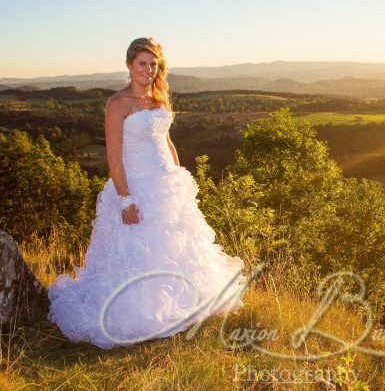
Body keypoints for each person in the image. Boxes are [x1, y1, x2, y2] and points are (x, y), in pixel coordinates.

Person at [48, 37, 248, 349]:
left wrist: (179, 178)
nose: (148, 69)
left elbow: (166, 142)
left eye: (153, 64)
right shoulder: (118, 104)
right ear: (129, 64)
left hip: (167, 185)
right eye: (142, 63)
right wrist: (125, 198)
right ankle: (146, 312)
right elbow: (113, 156)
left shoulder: (158, 99)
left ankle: (183, 302)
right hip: (136, 187)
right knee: (141, 252)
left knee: (176, 246)